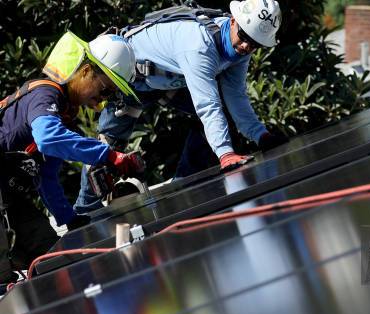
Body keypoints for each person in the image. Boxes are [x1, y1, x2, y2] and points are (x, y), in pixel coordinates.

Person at [74, 0, 287, 214]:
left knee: (223, 121)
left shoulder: (240, 51)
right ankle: (84, 212)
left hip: (169, 79)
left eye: (254, 44)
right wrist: (225, 154)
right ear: (233, 22)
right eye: (244, 37)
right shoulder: (199, 44)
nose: (245, 47)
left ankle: (183, 187)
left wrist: (261, 135)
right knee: (107, 145)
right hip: (130, 81)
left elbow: (236, 96)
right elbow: (207, 104)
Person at [0, 31, 144, 284]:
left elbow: (46, 176)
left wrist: (70, 219)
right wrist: (109, 155)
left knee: (50, 257)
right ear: (86, 71)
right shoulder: (44, 95)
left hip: (9, 198)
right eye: (104, 89)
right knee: (4, 275)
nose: (103, 99)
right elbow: (47, 137)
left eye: (109, 95)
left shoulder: (65, 113)